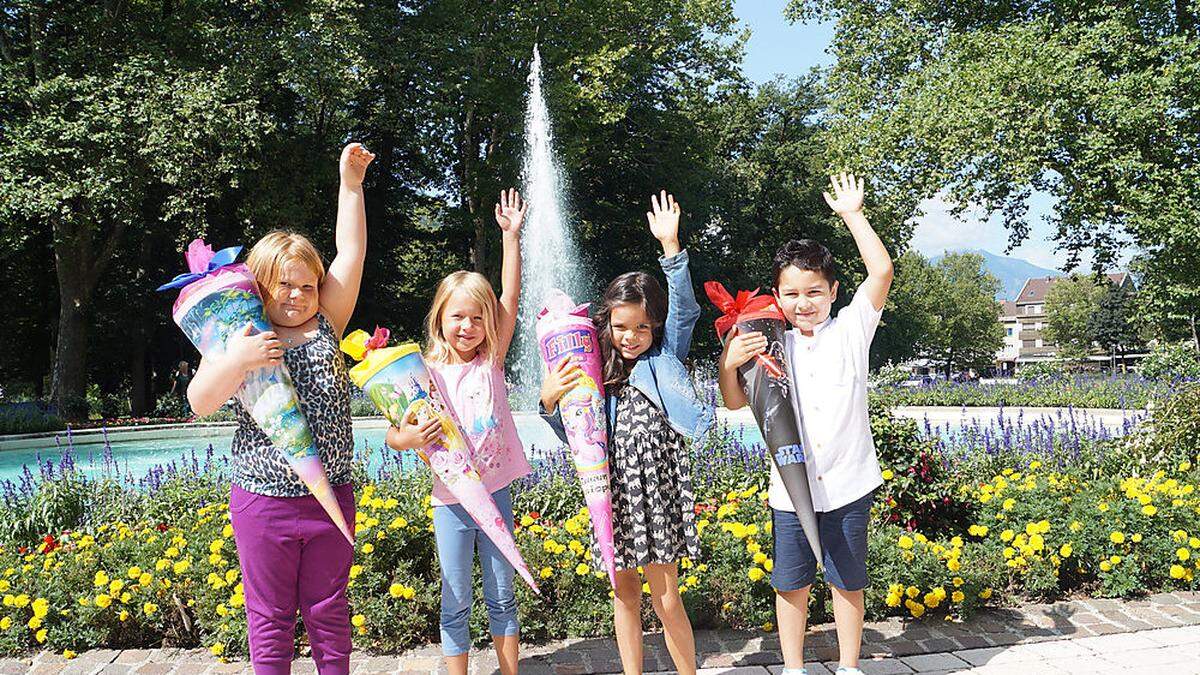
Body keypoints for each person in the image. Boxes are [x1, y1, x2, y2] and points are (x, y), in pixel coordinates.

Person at [188, 143, 375, 674]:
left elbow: (351, 253)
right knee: (268, 616)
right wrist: (238, 359)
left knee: (329, 611)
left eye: (307, 285)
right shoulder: (239, 332)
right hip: (262, 500)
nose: (296, 295)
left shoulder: (328, 323)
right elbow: (200, 401)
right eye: (283, 285)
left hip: (331, 494)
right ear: (260, 286)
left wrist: (350, 185)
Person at [718, 173, 894, 675]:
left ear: (834, 291)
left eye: (814, 291)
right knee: (791, 582)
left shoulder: (852, 329)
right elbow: (736, 404)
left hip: (848, 483)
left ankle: (849, 666)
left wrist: (852, 215)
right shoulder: (770, 342)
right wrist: (730, 362)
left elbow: (880, 270)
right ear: (777, 295)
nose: (803, 302)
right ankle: (793, 667)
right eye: (791, 293)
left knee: (847, 580)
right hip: (789, 488)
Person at [541, 192, 714, 675]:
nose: (631, 336)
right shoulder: (600, 371)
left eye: (642, 326)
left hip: (657, 491)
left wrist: (671, 247)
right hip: (614, 491)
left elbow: (684, 311)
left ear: (655, 325)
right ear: (608, 324)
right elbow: (577, 433)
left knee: (667, 598)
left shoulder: (665, 358)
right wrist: (548, 401)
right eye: (621, 326)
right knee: (624, 595)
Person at [386, 189, 529, 675]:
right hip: (450, 501)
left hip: (496, 494)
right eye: (457, 317)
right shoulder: (420, 373)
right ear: (440, 319)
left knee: (502, 595)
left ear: (488, 324)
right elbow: (394, 437)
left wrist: (511, 237)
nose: (467, 326)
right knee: (455, 600)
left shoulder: (493, 360)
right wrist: (410, 438)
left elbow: (510, 295)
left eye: (476, 318)